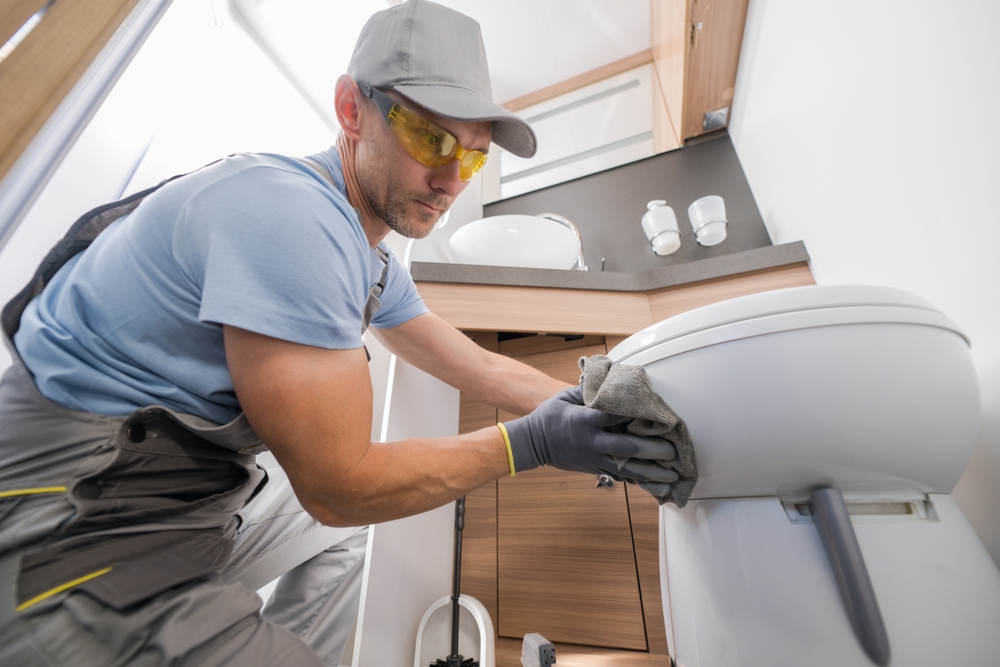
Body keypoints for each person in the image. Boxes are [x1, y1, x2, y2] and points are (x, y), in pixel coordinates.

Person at [0, 1, 678, 665]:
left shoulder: (372, 260)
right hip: (63, 528)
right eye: (431, 139)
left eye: (470, 159)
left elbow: (478, 368)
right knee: (343, 513)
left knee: (343, 541)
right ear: (352, 110)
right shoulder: (292, 217)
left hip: (179, 501)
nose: (450, 182)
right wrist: (531, 443)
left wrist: (591, 404)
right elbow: (338, 487)